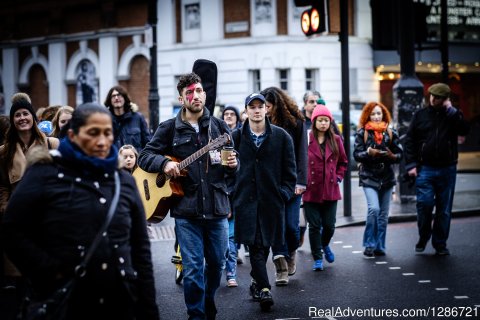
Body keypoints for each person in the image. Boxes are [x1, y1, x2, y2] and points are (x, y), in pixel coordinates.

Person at [2, 103, 160, 319]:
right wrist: (48, 271)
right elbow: (12, 229)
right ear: (73, 135)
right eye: (93, 132)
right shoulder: (46, 173)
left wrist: (149, 309)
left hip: (120, 301)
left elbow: (141, 250)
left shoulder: (123, 180)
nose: (102, 141)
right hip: (67, 303)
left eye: (107, 133)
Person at [138, 72, 237, 320]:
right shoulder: (169, 128)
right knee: (193, 269)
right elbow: (144, 157)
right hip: (186, 210)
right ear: (181, 99)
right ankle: (196, 315)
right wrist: (163, 164)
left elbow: (233, 169)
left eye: (199, 90)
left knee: (217, 265)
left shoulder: (219, 127)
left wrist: (234, 164)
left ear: (205, 94)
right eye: (189, 93)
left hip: (216, 207)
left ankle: (207, 300)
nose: (196, 96)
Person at [232, 92, 296, 312]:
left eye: (261, 106)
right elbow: (225, 171)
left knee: (265, 244)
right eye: (252, 107)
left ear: (266, 109)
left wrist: (284, 194)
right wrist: (232, 194)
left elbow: (290, 172)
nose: (257, 110)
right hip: (245, 202)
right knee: (255, 245)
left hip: (271, 202)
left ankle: (255, 281)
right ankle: (265, 288)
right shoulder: (235, 138)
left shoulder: (281, 137)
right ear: (246, 111)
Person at [0, 93, 59, 318]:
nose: (22, 118)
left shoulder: (52, 144)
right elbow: (2, 186)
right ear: (13, 120)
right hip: (18, 223)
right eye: (17, 115)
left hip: (47, 222)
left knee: (47, 275)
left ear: (33, 118)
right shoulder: (4, 152)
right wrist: (6, 209)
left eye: (26, 113)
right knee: (21, 280)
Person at [404, 83, 469, 255]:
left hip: (448, 169)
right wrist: (411, 165)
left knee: (444, 209)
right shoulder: (420, 115)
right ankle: (424, 235)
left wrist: (452, 112)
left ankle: (440, 243)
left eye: (438, 97)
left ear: (446, 99)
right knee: (424, 204)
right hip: (425, 169)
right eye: (432, 95)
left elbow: (464, 129)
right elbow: (409, 141)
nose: (433, 99)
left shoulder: (453, 116)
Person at [260, 87, 307, 285]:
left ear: (277, 105)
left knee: (291, 227)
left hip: (292, 183)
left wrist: (301, 181)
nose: (265, 110)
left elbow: (301, 153)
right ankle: (282, 263)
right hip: (271, 185)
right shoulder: (262, 124)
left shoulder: (296, 123)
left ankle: (292, 251)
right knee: (277, 227)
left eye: (268, 106)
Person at [353, 102, 403, 257]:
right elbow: (356, 154)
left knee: (383, 215)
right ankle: (369, 244)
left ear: (384, 115)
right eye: (373, 114)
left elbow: (400, 155)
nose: (376, 116)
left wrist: (392, 156)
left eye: (379, 113)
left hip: (387, 178)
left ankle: (379, 246)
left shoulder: (391, 132)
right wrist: (369, 153)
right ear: (368, 115)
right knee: (373, 209)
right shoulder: (363, 133)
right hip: (369, 177)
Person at [303, 104, 348, 270]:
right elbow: (300, 162)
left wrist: (338, 177)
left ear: (330, 122)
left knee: (329, 225)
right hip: (311, 190)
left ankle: (324, 244)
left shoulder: (336, 140)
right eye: (320, 120)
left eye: (326, 120)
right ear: (314, 121)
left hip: (330, 189)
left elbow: (343, 162)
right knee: (314, 226)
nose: (323, 123)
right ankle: (317, 258)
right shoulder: (307, 139)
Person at [104, 85, 151, 153]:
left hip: (136, 162)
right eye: (113, 96)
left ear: (125, 98)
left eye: (119, 95)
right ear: (110, 100)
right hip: (115, 162)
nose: (116, 98)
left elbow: (147, 142)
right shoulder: (106, 120)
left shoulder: (138, 117)